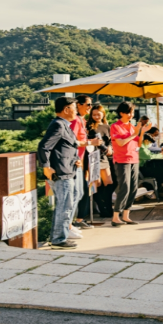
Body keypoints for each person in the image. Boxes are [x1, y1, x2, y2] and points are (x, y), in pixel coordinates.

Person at [37, 97, 82, 249]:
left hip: (69, 170)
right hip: (61, 173)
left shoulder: (65, 125)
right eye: (74, 107)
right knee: (64, 205)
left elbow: (65, 147)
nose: (76, 110)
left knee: (72, 200)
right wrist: (46, 166)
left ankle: (62, 234)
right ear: (66, 110)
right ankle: (58, 239)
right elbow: (44, 146)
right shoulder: (58, 125)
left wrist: (76, 159)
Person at [110, 101, 150, 226]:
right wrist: (134, 134)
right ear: (121, 113)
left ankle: (126, 215)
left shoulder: (133, 127)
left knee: (133, 188)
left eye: (132, 112)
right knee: (124, 187)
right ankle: (116, 216)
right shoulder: (116, 126)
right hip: (122, 160)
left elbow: (138, 144)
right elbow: (121, 143)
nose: (131, 115)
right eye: (128, 112)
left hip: (134, 159)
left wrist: (142, 132)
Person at [72, 95, 101, 232]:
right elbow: (71, 141)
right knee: (79, 192)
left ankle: (78, 220)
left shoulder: (82, 120)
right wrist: (90, 142)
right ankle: (74, 222)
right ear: (78, 105)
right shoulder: (75, 121)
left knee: (82, 191)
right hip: (74, 162)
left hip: (82, 160)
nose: (90, 107)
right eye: (88, 104)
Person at [86, 104, 114, 218]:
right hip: (93, 156)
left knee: (109, 182)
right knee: (96, 183)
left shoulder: (107, 126)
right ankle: (102, 208)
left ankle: (107, 206)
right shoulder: (89, 126)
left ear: (103, 114)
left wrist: (110, 148)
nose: (96, 116)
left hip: (104, 156)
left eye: (98, 114)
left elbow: (110, 140)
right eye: (94, 114)